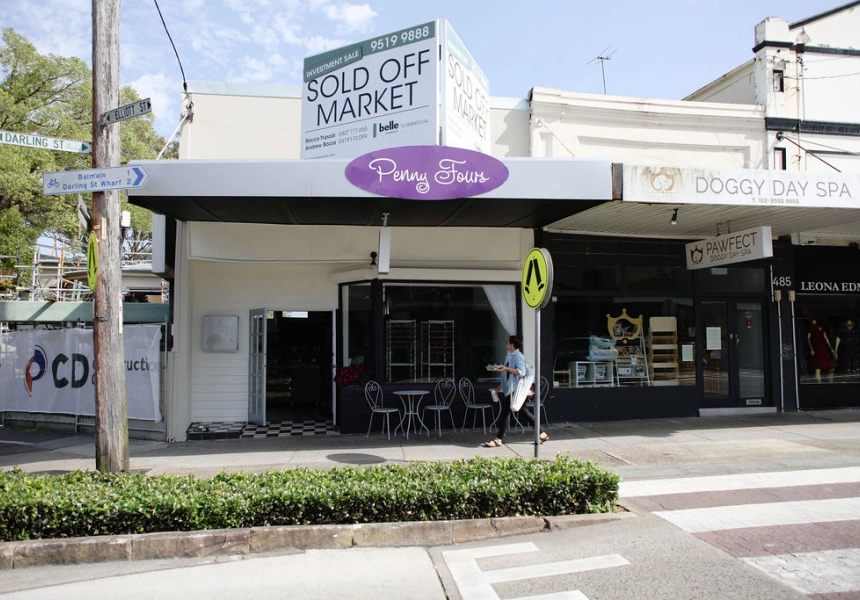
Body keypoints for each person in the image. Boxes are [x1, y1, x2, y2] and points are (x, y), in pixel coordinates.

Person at [481, 334, 548, 448]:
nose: (506, 344)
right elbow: (507, 375)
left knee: (505, 413)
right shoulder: (511, 355)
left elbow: (521, 372)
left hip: (515, 390)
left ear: (512, 345)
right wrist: (498, 388)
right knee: (523, 412)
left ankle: (498, 439)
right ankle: (542, 433)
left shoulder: (517, 356)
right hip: (512, 390)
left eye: (507, 342)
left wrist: (506, 368)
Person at [807, 318, 835, 382]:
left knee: (831, 368)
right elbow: (808, 338)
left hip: (824, 348)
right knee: (818, 367)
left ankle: (831, 382)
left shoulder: (821, 327)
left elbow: (825, 337)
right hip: (817, 348)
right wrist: (811, 348)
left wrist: (830, 348)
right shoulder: (811, 327)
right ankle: (819, 383)